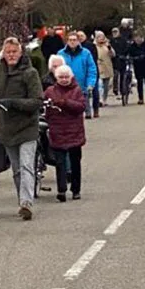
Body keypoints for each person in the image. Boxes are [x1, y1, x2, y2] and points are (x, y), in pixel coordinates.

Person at [0, 38, 42, 220]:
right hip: (7, 128)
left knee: (26, 166)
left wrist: (13, 103)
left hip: (27, 127)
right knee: (16, 169)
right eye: (8, 52)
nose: (11, 55)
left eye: (14, 52)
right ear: (3, 53)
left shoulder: (30, 73)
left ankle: (26, 203)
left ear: (21, 53)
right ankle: (22, 200)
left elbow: (37, 101)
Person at [43, 66, 87, 202]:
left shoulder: (77, 90)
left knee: (75, 162)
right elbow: (44, 106)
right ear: (56, 78)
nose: (64, 80)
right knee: (60, 163)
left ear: (71, 77)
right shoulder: (50, 91)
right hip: (57, 131)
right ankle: (61, 190)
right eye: (61, 77)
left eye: (66, 77)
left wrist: (65, 103)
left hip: (74, 131)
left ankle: (76, 190)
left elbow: (81, 107)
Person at [58, 32, 97, 120]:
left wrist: (91, 83)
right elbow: (56, 69)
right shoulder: (61, 54)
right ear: (67, 41)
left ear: (78, 41)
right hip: (66, 87)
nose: (72, 42)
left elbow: (91, 69)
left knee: (85, 113)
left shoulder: (86, 53)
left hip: (82, 87)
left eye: (74, 40)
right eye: (70, 40)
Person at [130, 31, 145, 104]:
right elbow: (130, 53)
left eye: (139, 38)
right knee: (139, 82)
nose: (137, 40)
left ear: (142, 38)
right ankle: (140, 98)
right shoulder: (133, 46)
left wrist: (144, 56)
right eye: (136, 38)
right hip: (137, 66)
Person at [93, 31, 114, 110]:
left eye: (102, 36)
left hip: (107, 66)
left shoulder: (107, 45)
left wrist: (109, 48)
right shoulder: (94, 46)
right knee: (100, 84)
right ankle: (100, 100)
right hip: (98, 66)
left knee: (106, 85)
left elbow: (113, 55)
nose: (101, 38)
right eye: (99, 37)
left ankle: (104, 99)